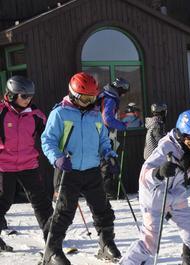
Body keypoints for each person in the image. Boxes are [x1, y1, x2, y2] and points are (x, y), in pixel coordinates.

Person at [119, 110, 190, 265]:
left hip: (176, 197)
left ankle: (189, 262)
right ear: (181, 134)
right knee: (150, 243)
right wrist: (158, 172)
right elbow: (144, 175)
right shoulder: (166, 148)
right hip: (155, 197)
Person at [41, 72, 121, 264]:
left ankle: (106, 244)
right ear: (73, 94)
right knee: (64, 212)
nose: (89, 103)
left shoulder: (95, 115)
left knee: (102, 209)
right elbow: (47, 141)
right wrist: (57, 158)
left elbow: (103, 140)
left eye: (92, 98)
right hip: (68, 170)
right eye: (85, 99)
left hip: (92, 170)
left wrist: (108, 154)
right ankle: (52, 250)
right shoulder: (60, 113)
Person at [0, 76, 53, 252]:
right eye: (24, 96)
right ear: (12, 95)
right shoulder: (1, 112)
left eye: (30, 96)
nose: (28, 99)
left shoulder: (36, 115)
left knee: (41, 200)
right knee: (3, 201)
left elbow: (49, 136)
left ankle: (51, 235)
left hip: (28, 164)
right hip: (4, 165)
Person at [97, 77, 130, 199]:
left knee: (103, 162)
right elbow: (107, 119)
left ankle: (106, 191)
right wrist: (121, 125)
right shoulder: (110, 98)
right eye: (124, 92)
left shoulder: (104, 95)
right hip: (102, 134)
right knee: (107, 162)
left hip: (97, 133)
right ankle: (108, 192)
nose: (124, 94)